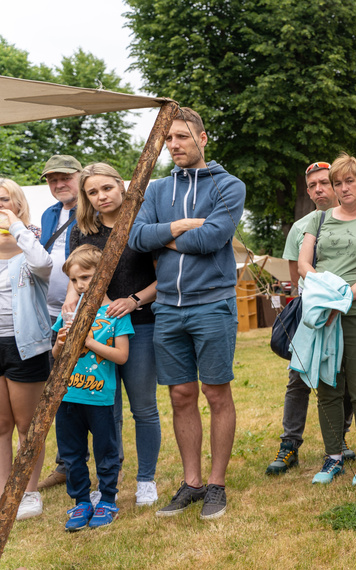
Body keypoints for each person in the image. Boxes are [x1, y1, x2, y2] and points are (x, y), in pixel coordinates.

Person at [128, 107, 244, 520]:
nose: (173, 145)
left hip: (212, 303)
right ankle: (192, 483)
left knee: (216, 393)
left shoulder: (229, 186)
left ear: (202, 137)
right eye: (168, 139)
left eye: (181, 136)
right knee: (180, 396)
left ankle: (216, 484)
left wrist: (163, 237)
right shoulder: (157, 189)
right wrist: (179, 228)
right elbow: (136, 237)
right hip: (167, 308)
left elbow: (212, 238)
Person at [67, 163, 160, 507]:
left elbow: (165, 276)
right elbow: (75, 276)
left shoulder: (144, 223)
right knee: (106, 408)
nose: (101, 196)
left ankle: (146, 480)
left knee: (143, 407)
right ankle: (111, 477)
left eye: (106, 188)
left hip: (141, 324)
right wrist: (75, 306)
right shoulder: (82, 231)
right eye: (92, 192)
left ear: (121, 185)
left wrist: (134, 300)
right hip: (98, 329)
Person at [298, 152, 356, 486]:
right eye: (337, 183)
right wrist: (326, 298)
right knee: (327, 387)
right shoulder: (318, 220)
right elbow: (304, 265)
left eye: (349, 181)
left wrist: (344, 300)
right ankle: (334, 456)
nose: (343, 188)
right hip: (323, 315)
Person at [265, 160, 355, 475]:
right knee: (298, 379)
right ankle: (289, 446)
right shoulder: (300, 227)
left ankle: (339, 439)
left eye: (324, 183)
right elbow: (295, 278)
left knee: (345, 377)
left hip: (346, 308)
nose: (319, 190)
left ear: (337, 184)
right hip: (311, 310)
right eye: (312, 186)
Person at [52, 245, 134, 531]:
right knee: (71, 453)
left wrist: (87, 341)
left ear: (104, 274)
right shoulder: (69, 312)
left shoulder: (115, 314)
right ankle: (81, 502)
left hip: (100, 398)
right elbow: (56, 355)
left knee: (106, 452)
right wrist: (61, 343)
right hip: (68, 396)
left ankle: (108, 500)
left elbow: (121, 356)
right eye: (74, 280)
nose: (79, 285)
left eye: (85, 277)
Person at [0, 178, 51, 520]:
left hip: (24, 344)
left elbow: (44, 265)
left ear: (17, 203)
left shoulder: (30, 241)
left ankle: (29, 492)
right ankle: (5, 490)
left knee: (27, 425)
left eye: (3, 200)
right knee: (0, 425)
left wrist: (15, 225)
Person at [37, 154, 82, 492]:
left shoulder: (93, 209)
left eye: (65, 177)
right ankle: (66, 463)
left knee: (97, 386)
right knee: (59, 390)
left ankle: (110, 463)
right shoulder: (49, 214)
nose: (58, 184)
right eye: (52, 179)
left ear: (80, 176)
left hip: (86, 311)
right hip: (50, 313)